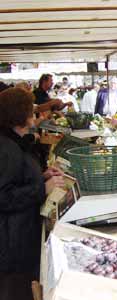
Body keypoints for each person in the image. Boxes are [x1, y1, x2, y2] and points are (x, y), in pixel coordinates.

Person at [0, 88, 65, 300]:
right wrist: (41, 189)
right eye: (31, 109)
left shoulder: (13, 142)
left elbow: (16, 178)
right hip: (12, 246)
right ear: (21, 115)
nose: (35, 114)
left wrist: (41, 176)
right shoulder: (6, 148)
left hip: (18, 239)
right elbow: (4, 196)